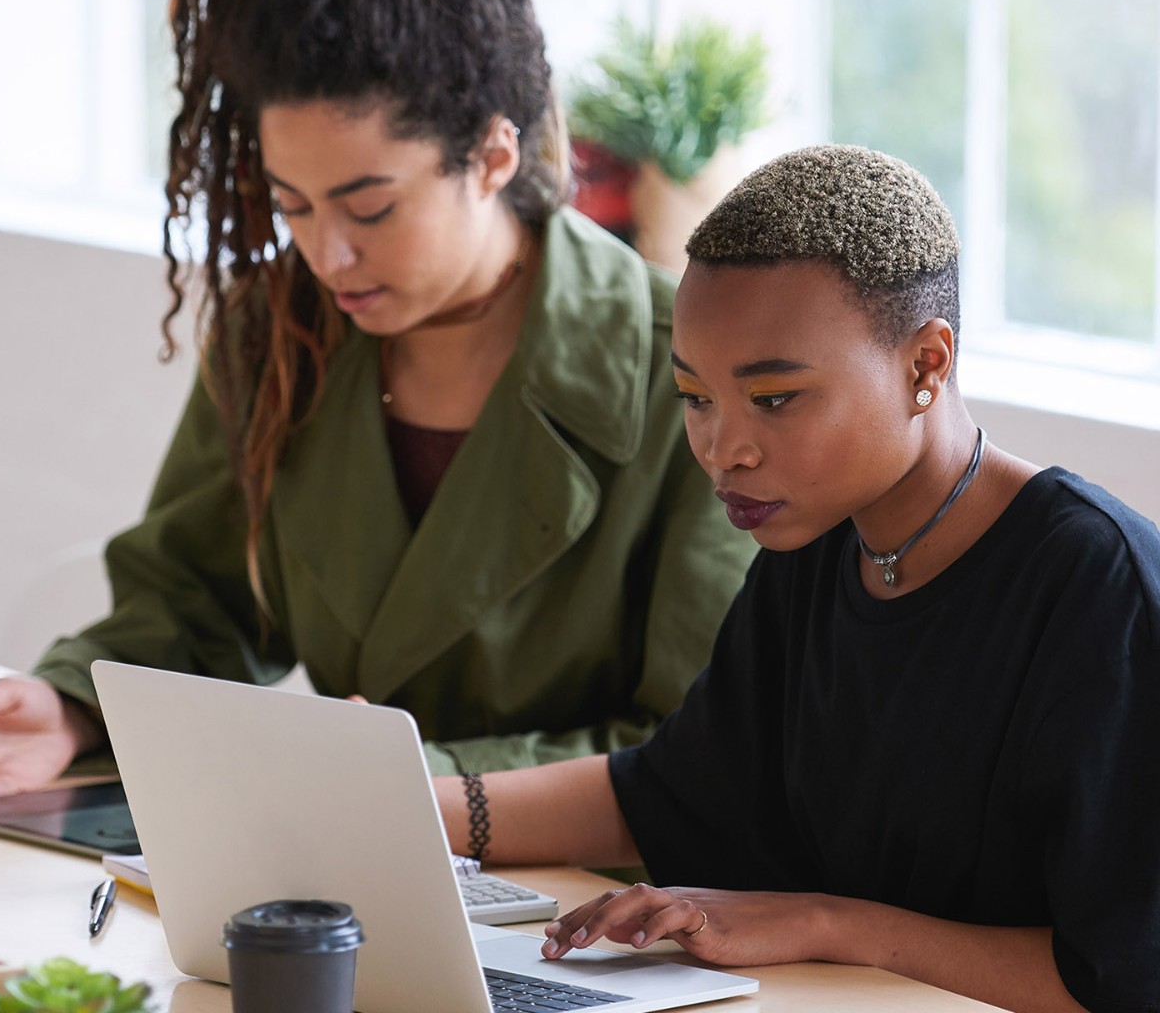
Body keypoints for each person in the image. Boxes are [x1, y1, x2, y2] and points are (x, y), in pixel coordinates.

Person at [0, 0, 757, 801]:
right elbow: (195, 600)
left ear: (490, 153)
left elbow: (698, 745)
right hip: (352, 863)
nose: (327, 252)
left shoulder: (687, 370)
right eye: (290, 204)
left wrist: (404, 782)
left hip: (610, 917)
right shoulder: (283, 327)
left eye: (369, 205)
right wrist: (72, 704)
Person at [430, 144, 1160, 1013]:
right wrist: (407, 804)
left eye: (773, 399)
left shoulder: (1099, 592)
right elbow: (668, 793)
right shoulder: (817, 538)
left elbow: (1119, 976)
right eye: (696, 397)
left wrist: (825, 922)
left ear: (926, 365)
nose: (722, 450)